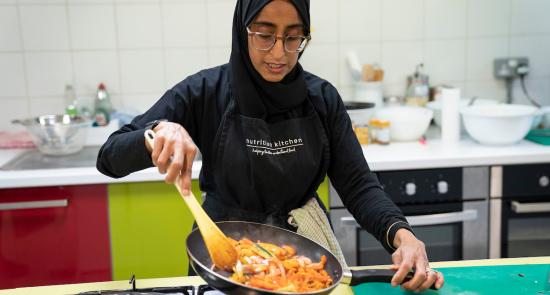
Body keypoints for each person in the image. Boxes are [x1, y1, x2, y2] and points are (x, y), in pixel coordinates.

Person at [97, 0, 444, 291]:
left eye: (293, 38)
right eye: (264, 35)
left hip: (305, 263)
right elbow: (109, 157)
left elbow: (358, 185)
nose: (279, 53)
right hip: (225, 266)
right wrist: (157, 131)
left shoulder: (321, 98)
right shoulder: (205, 92)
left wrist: (402, 235)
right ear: (242, 28)